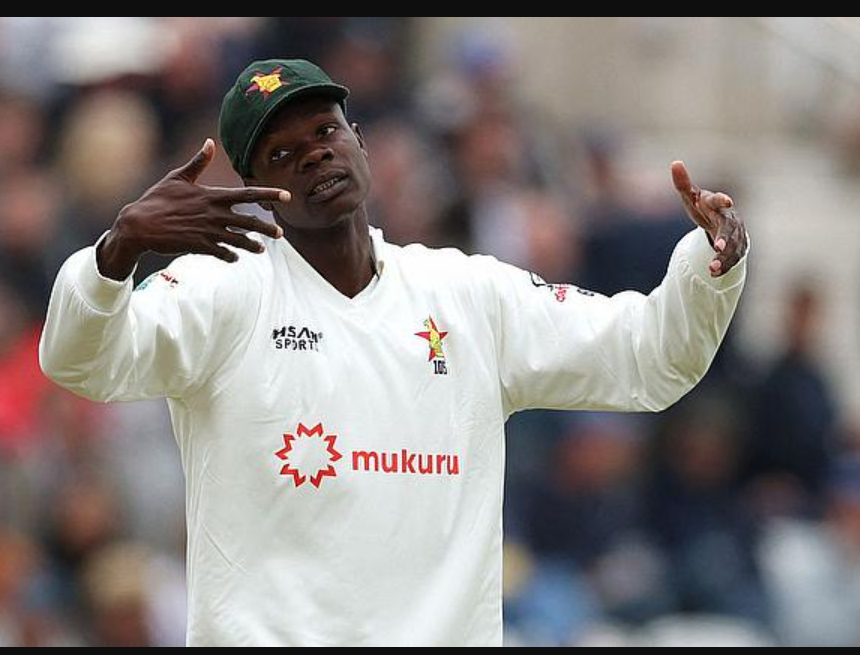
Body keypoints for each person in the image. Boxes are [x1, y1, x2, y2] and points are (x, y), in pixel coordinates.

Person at [39, 59, 748, 646]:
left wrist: (709, 264)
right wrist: (118, 249)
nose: (314, 153)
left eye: (325, 130)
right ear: (258, 191)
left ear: (360, 141)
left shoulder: (466, 294)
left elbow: (648, 358)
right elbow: (80, 362)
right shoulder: (218, 291)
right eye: (281, 153)